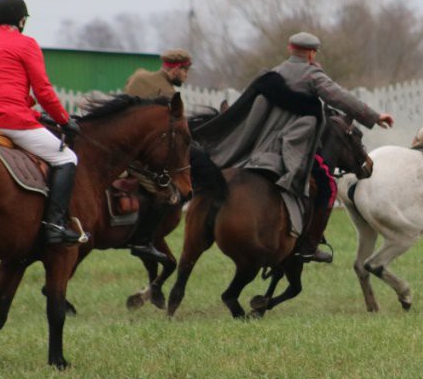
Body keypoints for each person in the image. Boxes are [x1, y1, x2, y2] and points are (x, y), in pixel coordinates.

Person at [201, 31, 394, 263]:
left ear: (289, 49)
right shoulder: (312, 75)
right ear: (312, 53)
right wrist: (374, 116)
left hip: (262, 147)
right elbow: (340, 98)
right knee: (327, 186)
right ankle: (309, 244)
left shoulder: (274, 73)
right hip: (293, 149)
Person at [0, 0, 84, 245]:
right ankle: (54, 226)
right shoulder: (26, 43)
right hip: (10, 120)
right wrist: (63, 120)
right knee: (66, 157)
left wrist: (35, 114)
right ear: (21, 21)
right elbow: (43, 90)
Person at [120, 48, 192, 264]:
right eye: (186, 71)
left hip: (119, 142)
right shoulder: (169, 94)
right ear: (177, 69)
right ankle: (141, 240)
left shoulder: (139, 76)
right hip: (136, 155)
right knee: (164, 193)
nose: (186, 77)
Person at [124, 48, 191, 98]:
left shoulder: (138, 75)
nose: (186, 76)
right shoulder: (168, 93)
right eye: (185, 71)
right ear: (176, 70)